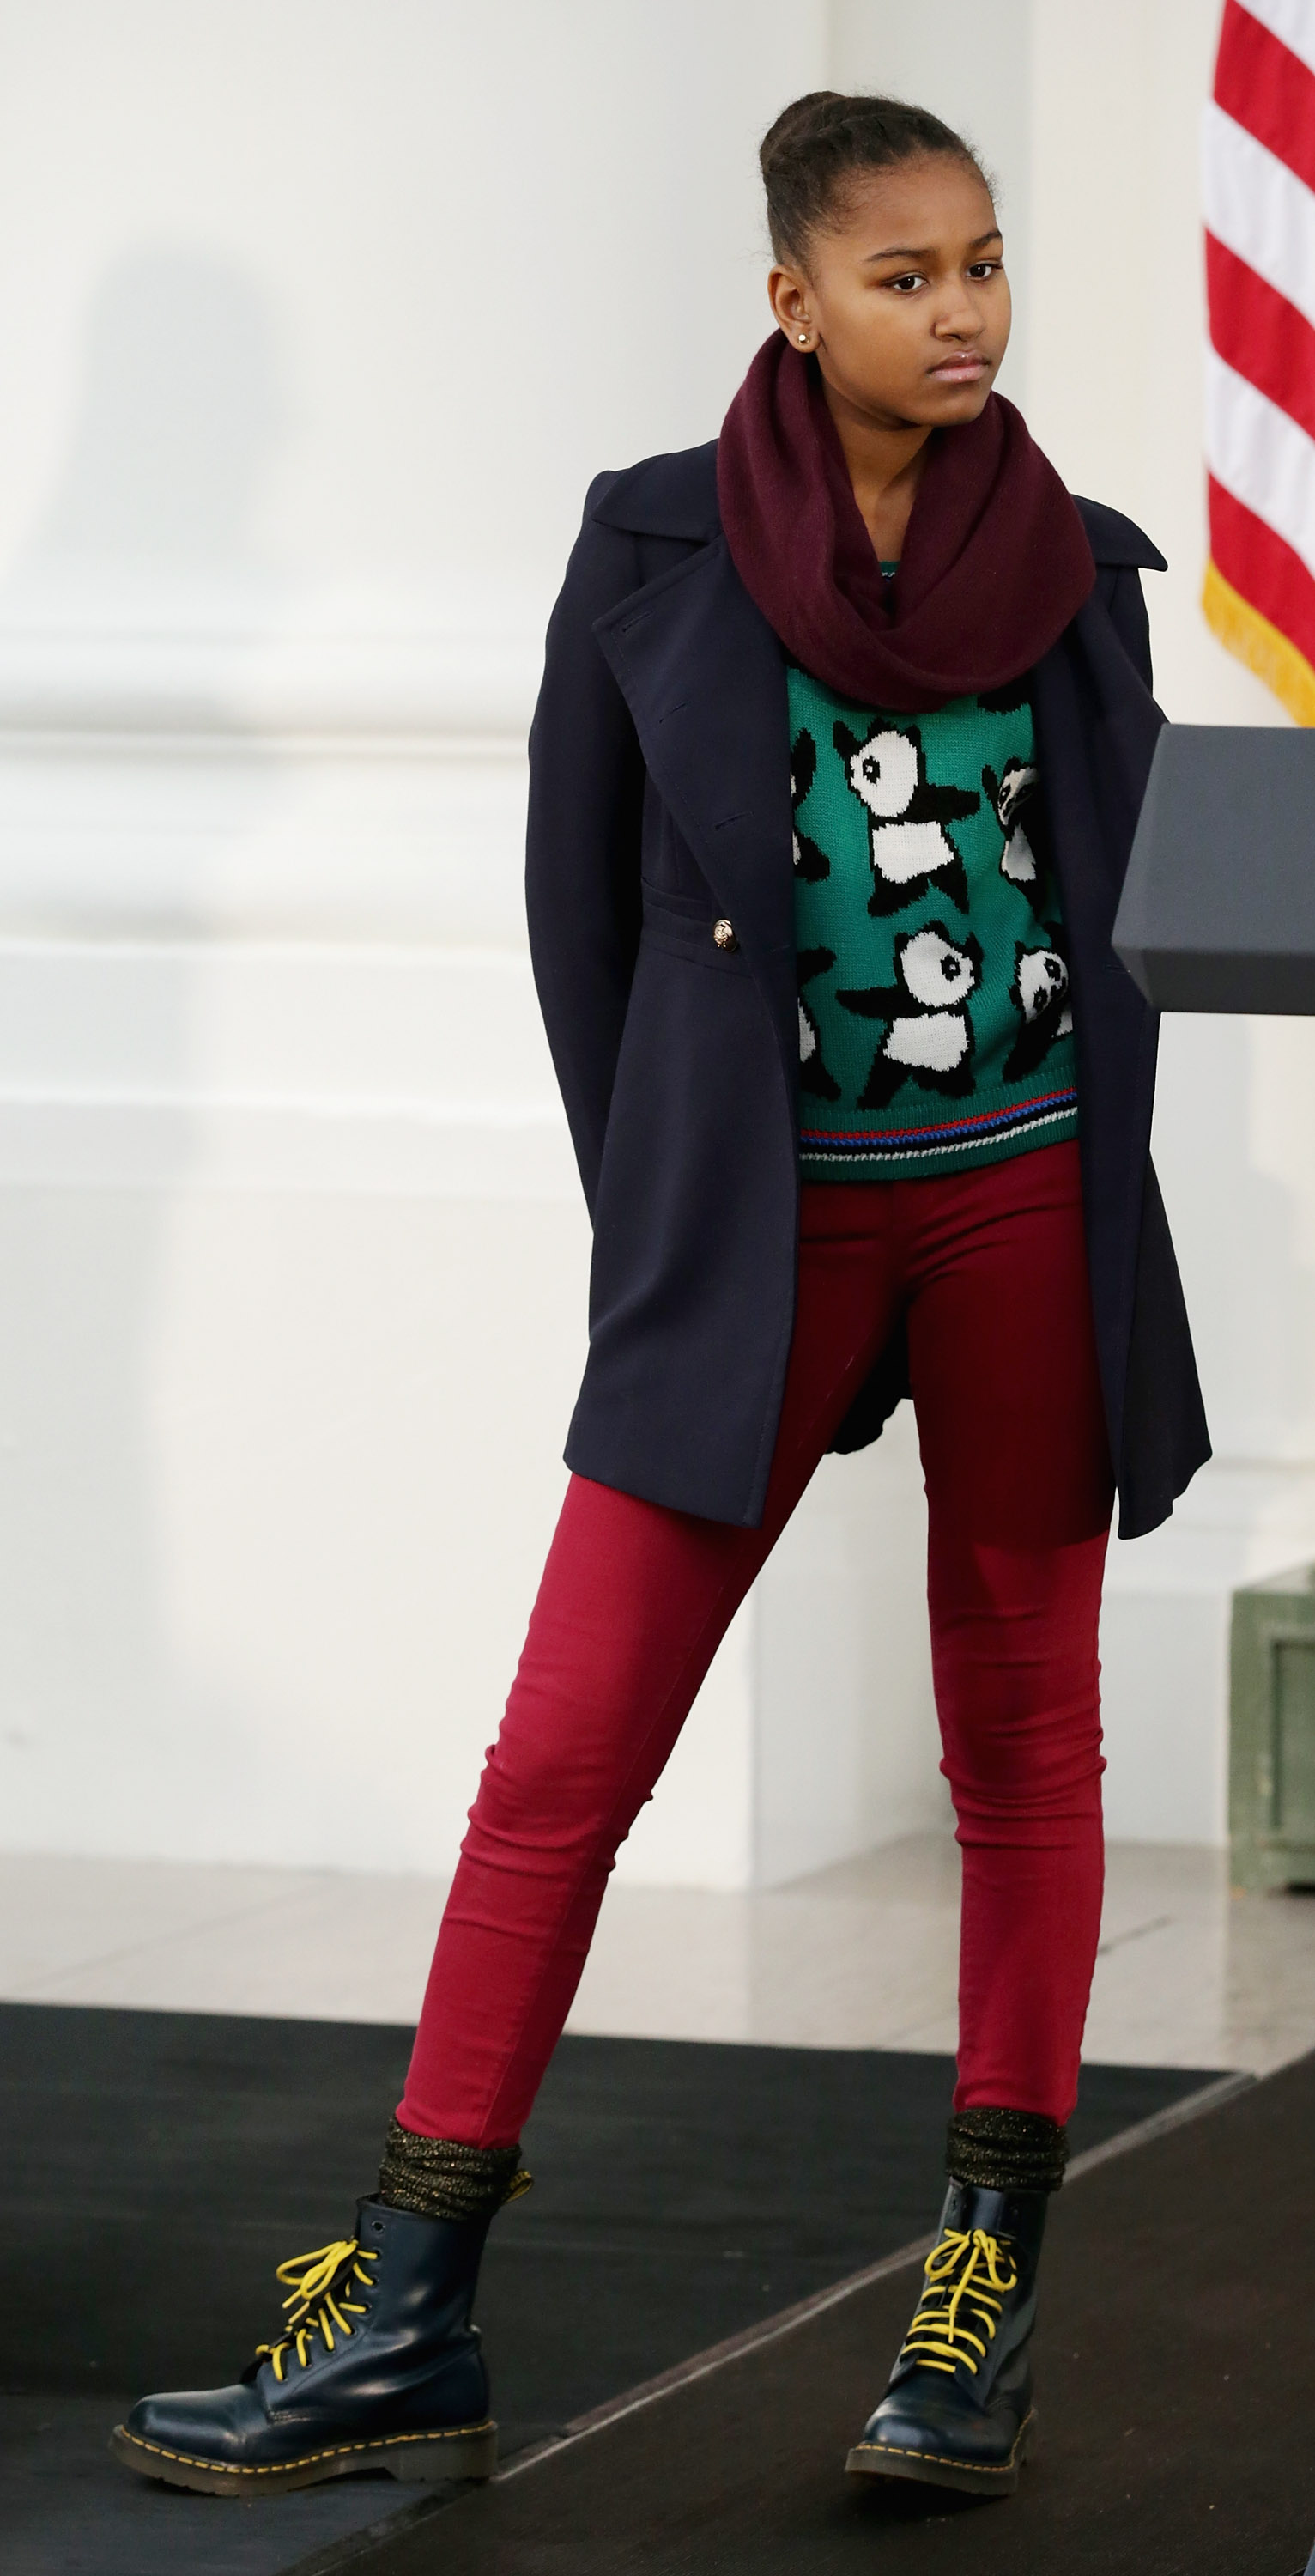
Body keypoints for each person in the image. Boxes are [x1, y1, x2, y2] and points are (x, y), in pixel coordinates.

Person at [112, 90, 1209, 2506]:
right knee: (559, 1760)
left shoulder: (1083, 570)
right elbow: (575, 919)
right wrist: (672, 1223)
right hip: (766, 1219)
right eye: (903, 272)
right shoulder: (650, 552)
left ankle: (975, 2302)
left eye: (985, 263)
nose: (959, 310)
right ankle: (409, 2302)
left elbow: (1134, 904)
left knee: (1020, 1741)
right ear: (790, 298)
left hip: (1022, 1193)